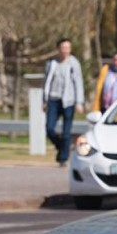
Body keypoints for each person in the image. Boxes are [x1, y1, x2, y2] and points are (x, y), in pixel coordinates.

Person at [43, 38, 84, 167]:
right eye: (63, 48)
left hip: (68, 101)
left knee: (66, 133)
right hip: (54, 99)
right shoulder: (52, 63)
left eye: (68, 48)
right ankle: (62, 147)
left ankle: (62, 158)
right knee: (49, 128)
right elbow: (46, 82)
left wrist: (79, 102)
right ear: (58, 49)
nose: (65, 50)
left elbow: (78, 83)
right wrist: (44, 100)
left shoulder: (74, 63)